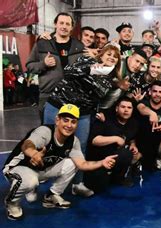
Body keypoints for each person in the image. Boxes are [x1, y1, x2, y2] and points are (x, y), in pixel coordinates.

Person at [2, 104, 117, 220]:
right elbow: (27, 144)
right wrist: (33, 153)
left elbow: (82, 164)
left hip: (40, 169)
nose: (69, 125)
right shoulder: (45, 132)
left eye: (73, 122)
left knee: (72, 164)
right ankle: (11, 203)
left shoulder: (73, 141)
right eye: (65, 120)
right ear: (57, 120)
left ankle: (51, 195)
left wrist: (101, 162)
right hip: (16, 168)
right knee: (30, 182)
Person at [43, 44, 122, 197]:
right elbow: (68, 72)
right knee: (47, 142)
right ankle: (38, 180)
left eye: (115, 57)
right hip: (57, 105)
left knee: (80, 147)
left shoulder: (110, 80)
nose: (111, 57)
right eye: (109, 54)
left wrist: (85, 74)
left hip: (82, 114)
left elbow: (98, 90)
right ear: (101, 55)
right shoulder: (85, 60)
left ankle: (77, 184)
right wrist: (90, 68)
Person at [26, 12, 84, 113]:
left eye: (67, 24)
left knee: (70, 127)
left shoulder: (79, 46)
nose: (64, 26)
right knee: (48, 127)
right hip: (48, 95)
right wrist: (44, 64)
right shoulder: (42, 43)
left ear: (71, 27)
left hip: (73, 96)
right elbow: (29, 65)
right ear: (55, 24)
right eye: (61, 23)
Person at [85, 97, 140, 191]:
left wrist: (133, 145)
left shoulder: (133, 123)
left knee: (130, 154)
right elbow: (94, 140)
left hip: (117, 155)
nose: (126, 110)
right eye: (123, 107)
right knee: (99, 186)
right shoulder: (105, 119)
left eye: (129, 108)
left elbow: (132, 137)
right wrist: (115, 139)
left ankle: (119, 177)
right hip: (99, 158)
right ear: (116, 108)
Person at [135, 81, 161, 175]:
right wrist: (151, 113)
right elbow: (141, 108)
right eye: (155, 91)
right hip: (140, 145)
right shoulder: (143, 103)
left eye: (160, 92)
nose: (157, 94)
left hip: (156, 148)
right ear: (150, 92)